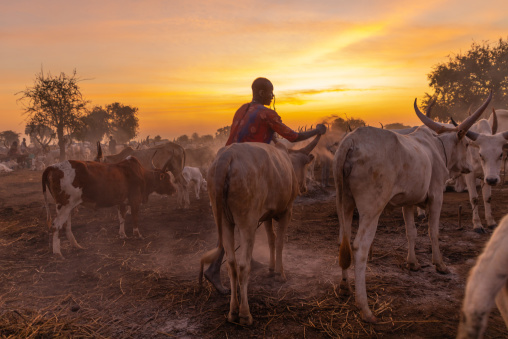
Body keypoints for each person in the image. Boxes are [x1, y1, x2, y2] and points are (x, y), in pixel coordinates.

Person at [204, 77, 327, 294]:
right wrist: (317, 131)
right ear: (261, 93)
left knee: (230, 218)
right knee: (245, 218)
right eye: (270, 92)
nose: (272, 96)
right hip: (249, 168)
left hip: (226, 162)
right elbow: (293, 136)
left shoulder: (241, 110)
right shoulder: (266, 113)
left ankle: (242, 258)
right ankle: (216, 268)